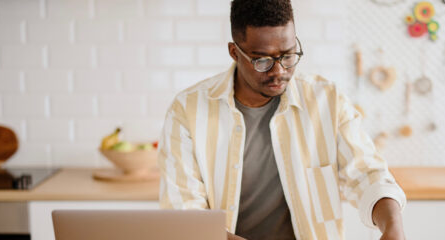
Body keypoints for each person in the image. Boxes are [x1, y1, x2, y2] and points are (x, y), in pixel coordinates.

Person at [157, 0, 407, 239]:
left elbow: (367, 175)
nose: (279, 71)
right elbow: (185, 216)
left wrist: (393, 226)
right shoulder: (188, 110)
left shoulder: (326, 100)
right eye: (263, 60)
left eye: (288, 55)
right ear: (235, 52)